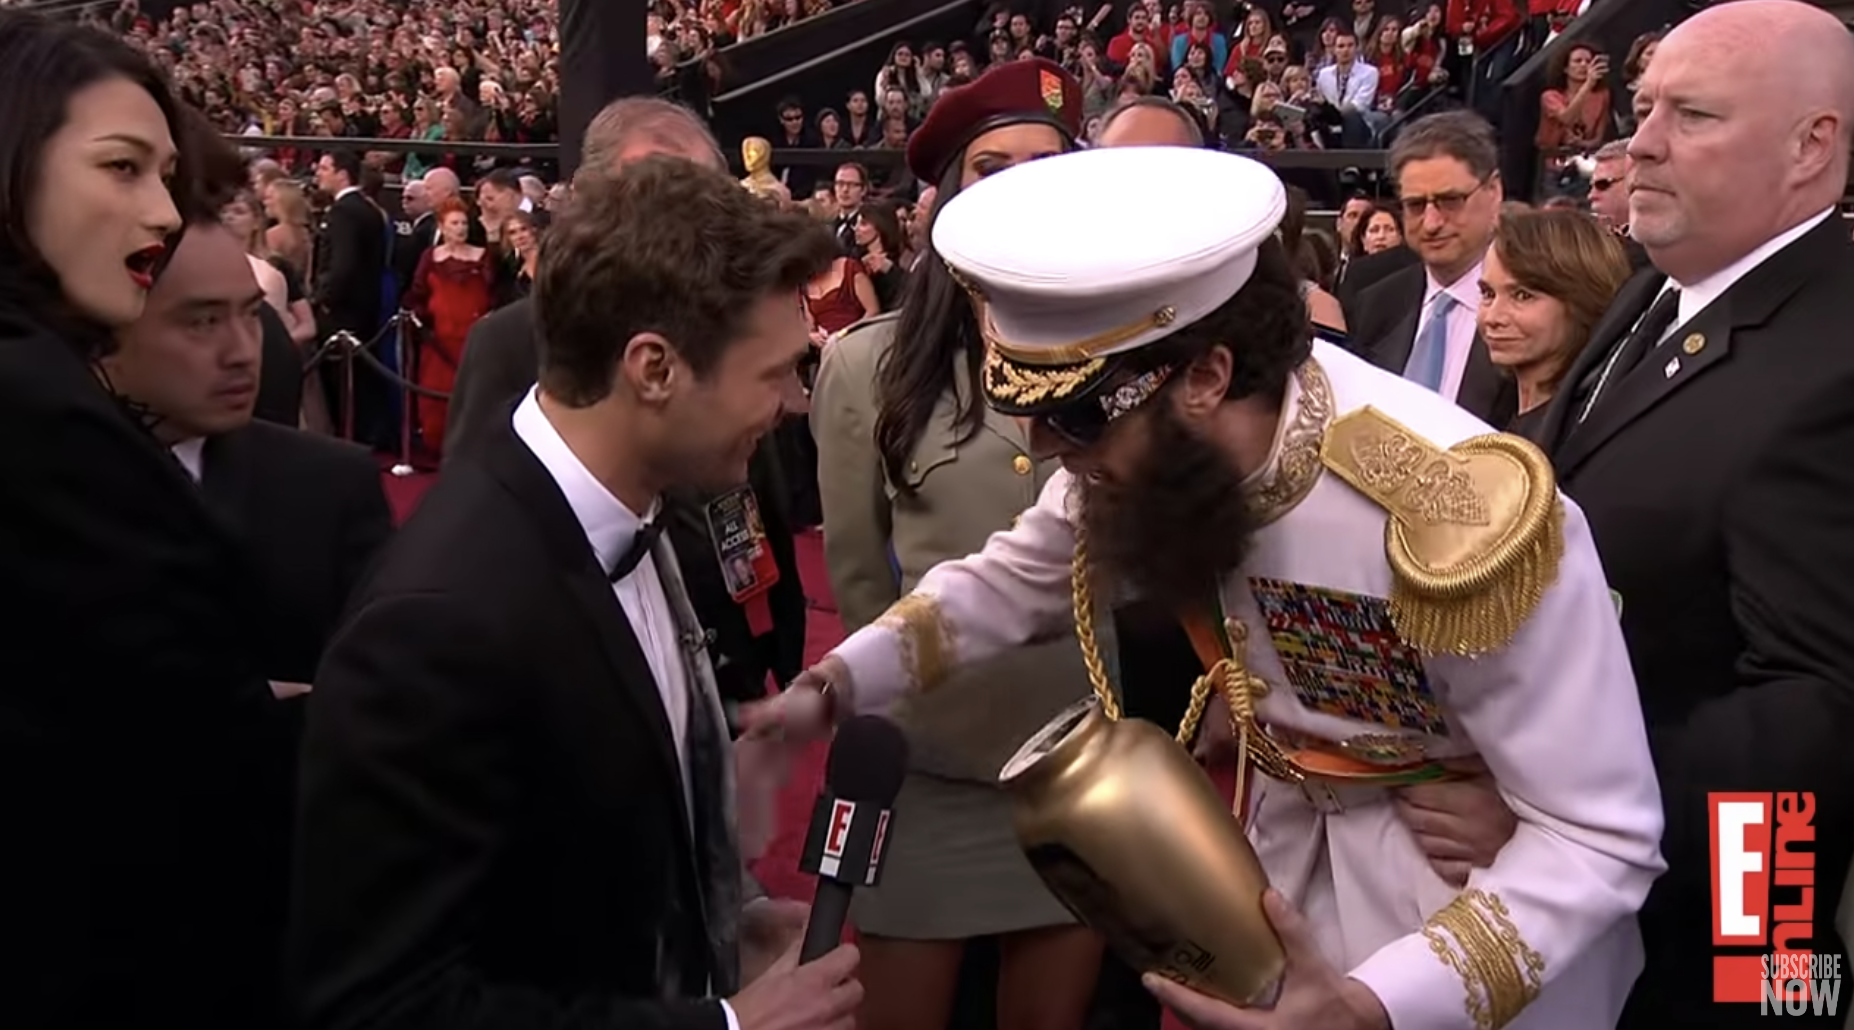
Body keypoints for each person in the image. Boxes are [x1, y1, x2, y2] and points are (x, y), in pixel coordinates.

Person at [758, 145, 1667, 1030]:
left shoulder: (1455, 514)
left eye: (1072, 416)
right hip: (1266, 891)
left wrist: (1376, 1004)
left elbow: (1598, 841)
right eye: (1028, 416)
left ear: (1206, 374)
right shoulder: (1139, 453)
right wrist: (829, 687)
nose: (1044, 455)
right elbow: (1008, 581)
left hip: (1447, 935)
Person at [291, 156, 861, 1029]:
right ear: (655, 369)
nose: (790, 403)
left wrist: (720, 932)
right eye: (772, 372)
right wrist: (730, 1028)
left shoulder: (648, 512)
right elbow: (385, 1007)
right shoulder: (437, 624)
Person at [1533, 2, 1854, 1024]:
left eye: (1696, 115)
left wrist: (1569, 812)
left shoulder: (1839, 350)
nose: (1644, 145)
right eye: (1642, 108)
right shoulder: (1664, 287)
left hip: (1734, 889)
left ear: (1814, 145)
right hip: (1599, 899)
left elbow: (1818, 711)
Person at [0, 10, 281, 1025]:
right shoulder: (38, 411)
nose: (163, 213)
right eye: (121, 168)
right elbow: (166, 769)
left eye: (164, 174)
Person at [811, 56, 1103, 1030]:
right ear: (947, 199)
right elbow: (858, 576)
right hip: (933, 774)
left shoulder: (1138, 346)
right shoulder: (868, 366)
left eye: (1046, 162)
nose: (1023, 184)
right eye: (993, 166)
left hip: (1084, 776)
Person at [445, 95, 809, 728]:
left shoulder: (736, 329)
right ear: (589, 195)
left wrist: (776, 641)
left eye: (702, 196)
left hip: (725, 656)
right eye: (659, 193)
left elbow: (753, 498)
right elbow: (480, 519)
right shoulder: (509, 344)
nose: (688, 223)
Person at [1475, 208, 1630, 441]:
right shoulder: (1492, 407)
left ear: (1583, 302)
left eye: (1522, 296)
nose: (1492, 317)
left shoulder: (1593, 436)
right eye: (1488, 293)